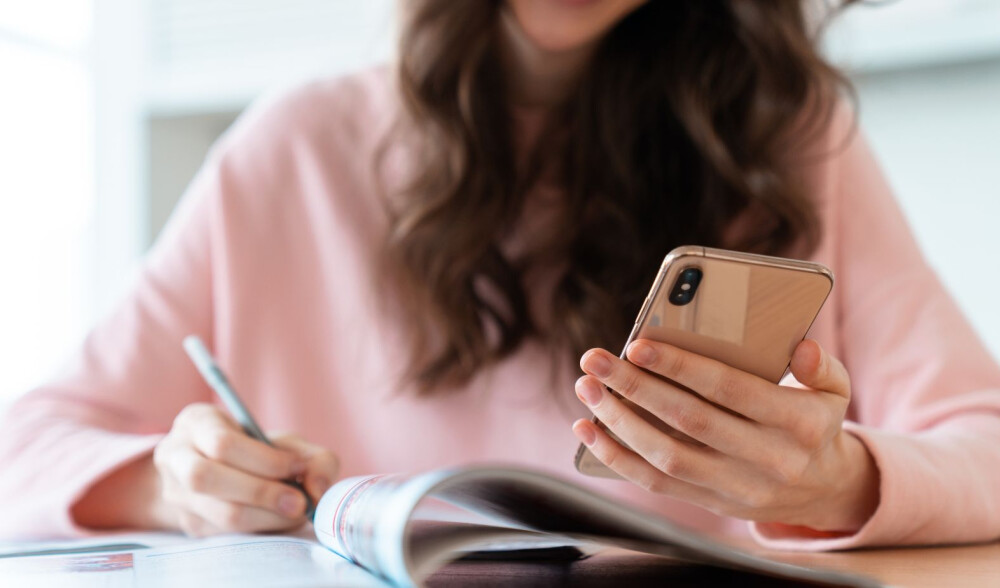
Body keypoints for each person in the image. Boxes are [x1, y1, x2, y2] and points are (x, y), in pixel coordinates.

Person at [2, 0, 999, 550]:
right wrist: (171, 483)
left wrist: (836, 482)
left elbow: (984, 445)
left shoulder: (792, 145)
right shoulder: (290, 151)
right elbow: (22, 451)